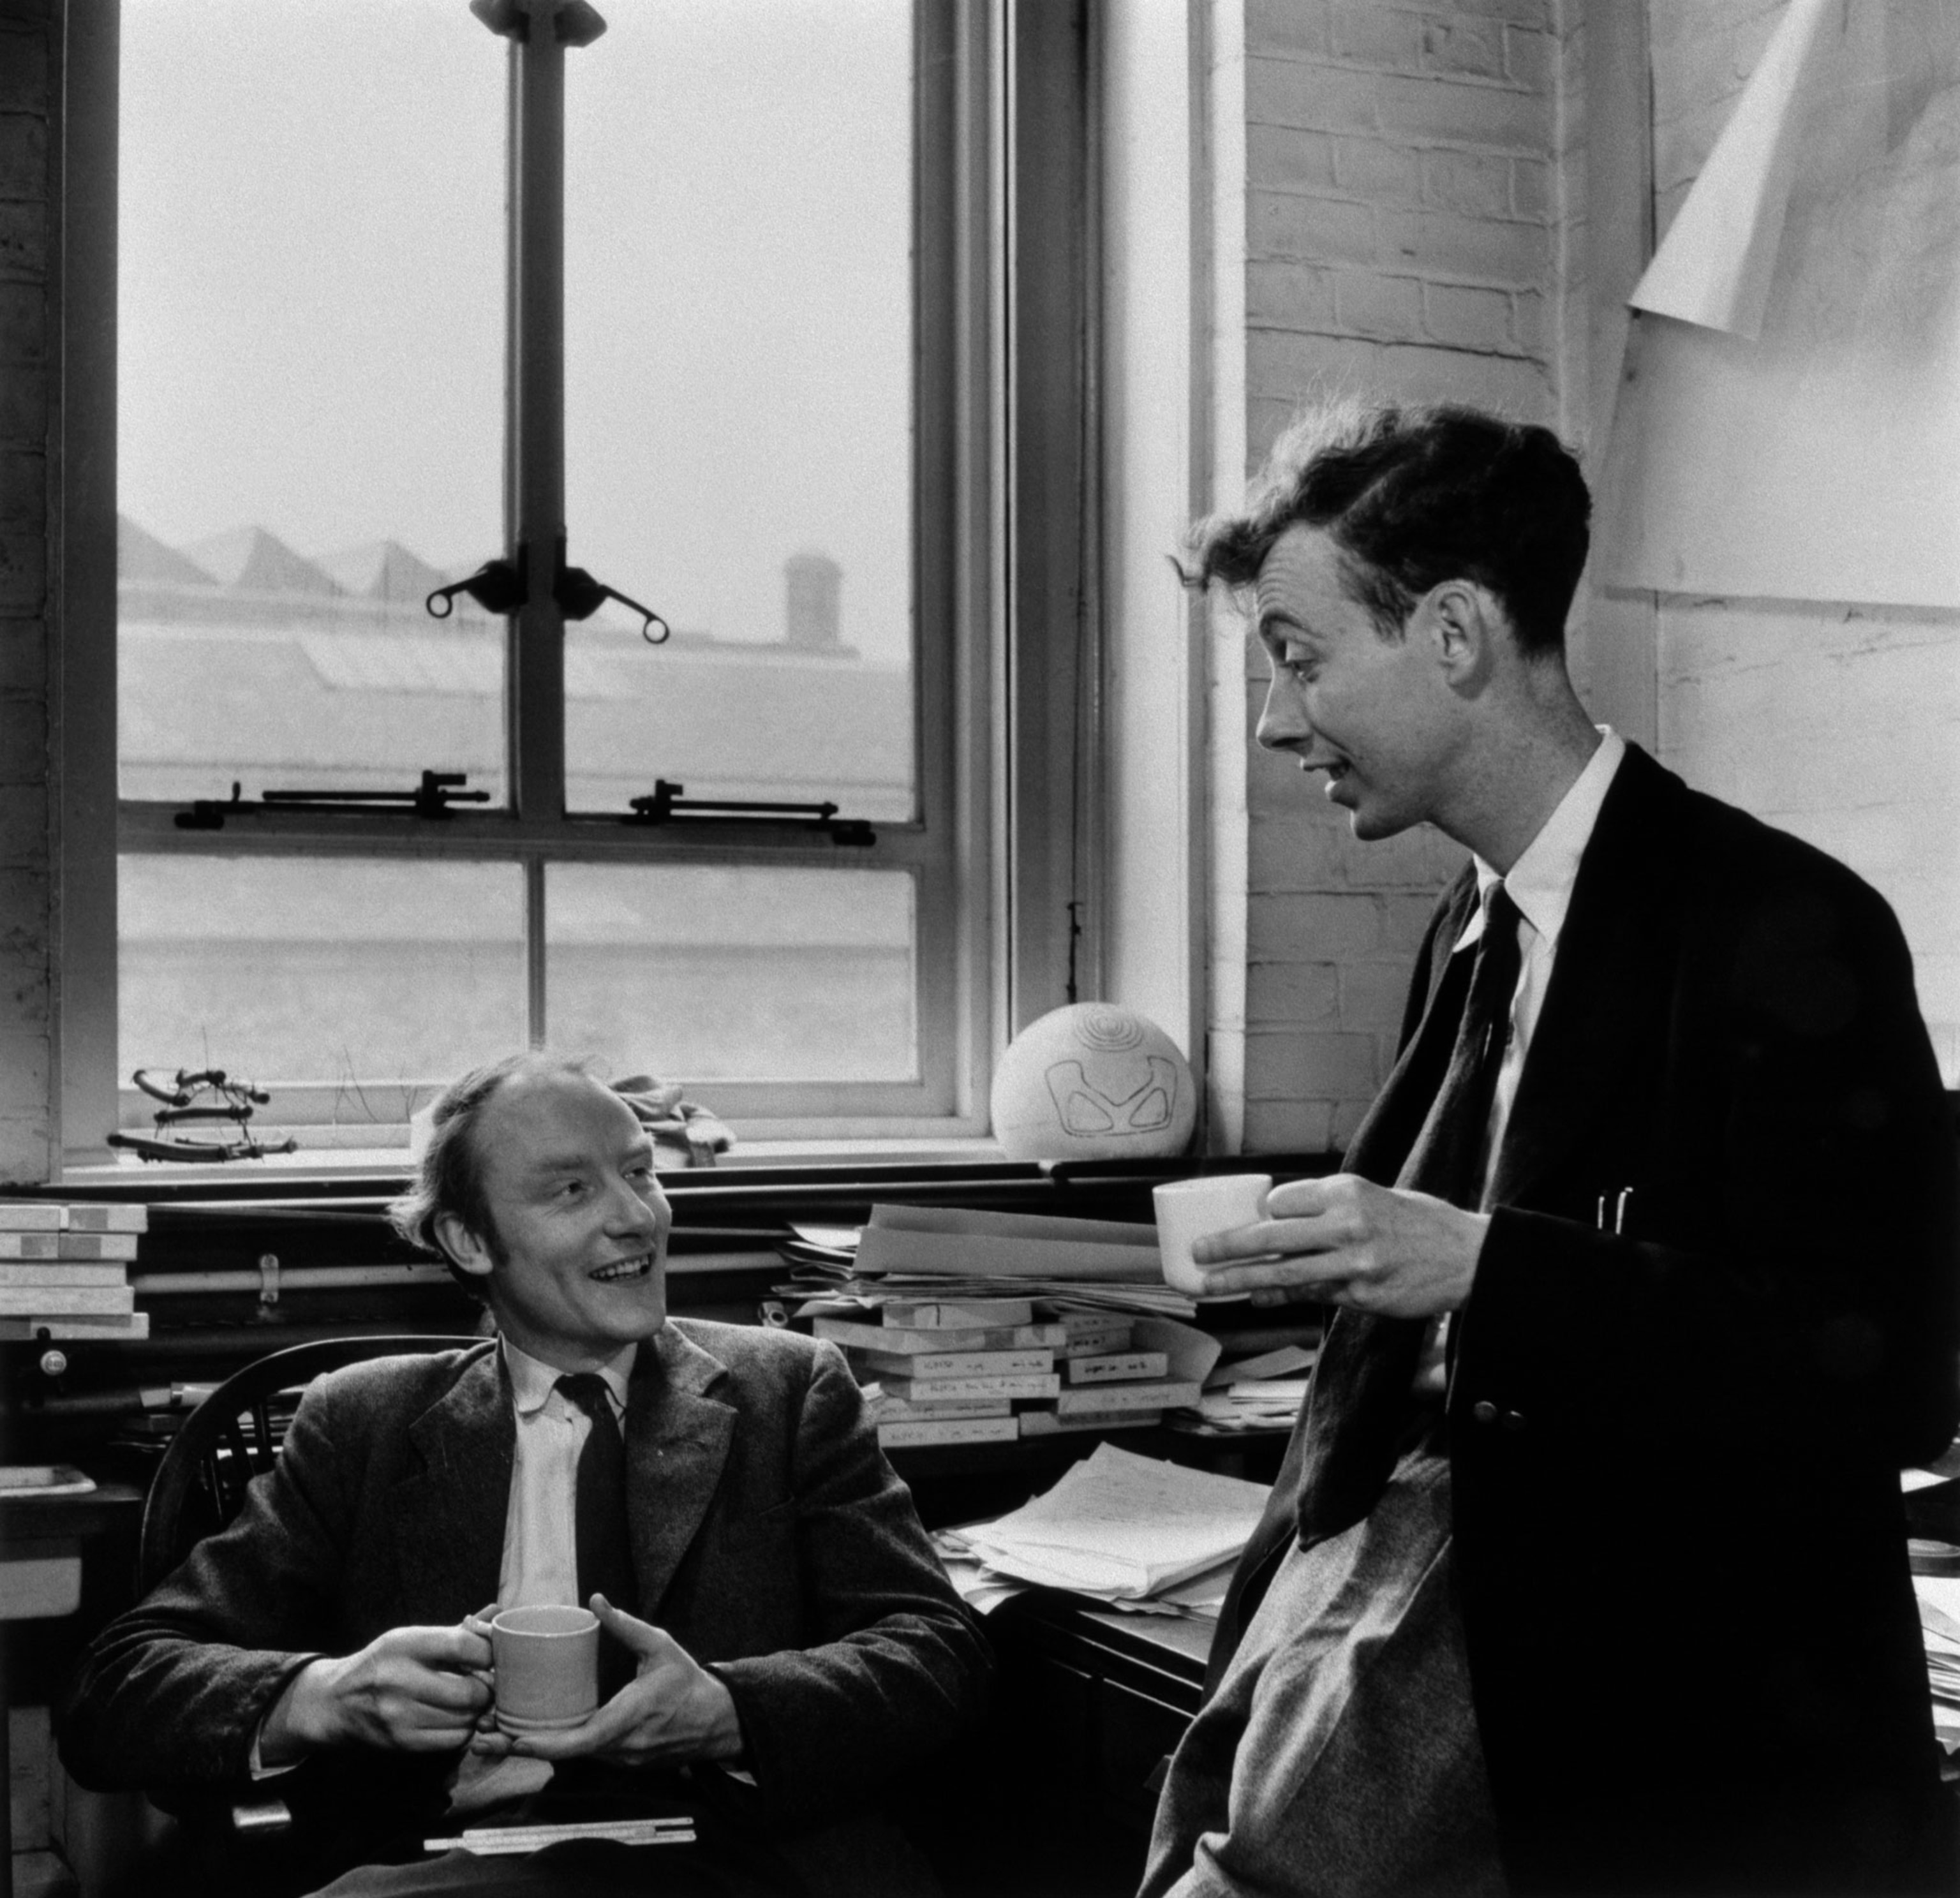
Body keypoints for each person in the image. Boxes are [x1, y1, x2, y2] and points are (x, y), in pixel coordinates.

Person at [1141, 400, 1959, 1897]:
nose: (1274, 723)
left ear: (1454, 634)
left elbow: (1892, 1372)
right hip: (1423, 1639)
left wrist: (1484, 1268)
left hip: (1662, 1746)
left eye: (1299, 658)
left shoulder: (1784, 924)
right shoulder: (1468, 936)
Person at [59, 1053, 990, 1898]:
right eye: (572, 1190)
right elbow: (119, 1694)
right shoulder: (364, 1421)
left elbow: (939, 1654)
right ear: (470, 1241)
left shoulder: (787, 1391)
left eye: (639, 1171)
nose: (636, 1216)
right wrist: (327, 1696)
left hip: (724, 1858)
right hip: (434, 1860)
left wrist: (731, 1711)